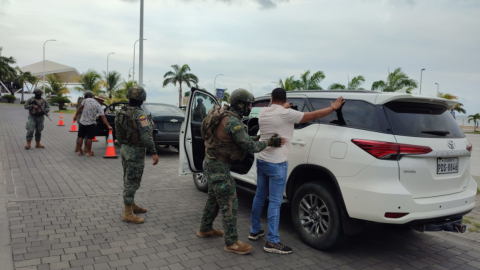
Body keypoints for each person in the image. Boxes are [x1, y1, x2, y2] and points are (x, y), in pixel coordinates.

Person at [249, 88, 345, 254]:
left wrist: (284, 106)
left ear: (271, 98)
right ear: (285, 99)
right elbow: (313, 115)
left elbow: (278, 110)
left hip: (262, 161)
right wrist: (333, 108)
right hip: (277, 164)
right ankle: (272, 242)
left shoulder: (264, 111)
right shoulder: (288, 114)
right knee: (275, 203)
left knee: (259, 196)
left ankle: (255, 230)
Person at [198, 88, 285, 255]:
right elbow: (250, 147)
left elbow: (235, 140)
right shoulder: (233, 122)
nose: (250, 108)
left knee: (214, 199)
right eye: (248, 105)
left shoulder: (224, 115)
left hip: (211, 163)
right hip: (219, 167)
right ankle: (231, 242)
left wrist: (254, 138)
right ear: (239, 104)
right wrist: (270, 142)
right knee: (229, 203)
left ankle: (205, 228)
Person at [115, 86, 159, 224]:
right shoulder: (140, 114)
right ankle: (127, 212)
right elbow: (146, 136)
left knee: (128, 178)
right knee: (132, 181)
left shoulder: (121, 111)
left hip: (125, 148)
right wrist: (154, 152)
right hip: (135, 151)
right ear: (142, 99)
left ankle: (132, 204)